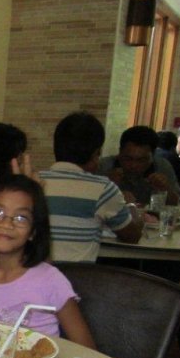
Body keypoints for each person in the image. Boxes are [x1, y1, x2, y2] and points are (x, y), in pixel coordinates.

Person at [0, 175, 95, 346]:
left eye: (21, 217)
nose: (6, 224)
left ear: (33, 231)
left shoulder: (51, 281)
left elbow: (86, 349)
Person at [40, 111, 144, 263]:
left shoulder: (33, 182)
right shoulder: (103, 188)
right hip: (77, 276)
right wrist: (131, 206)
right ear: (96, 153)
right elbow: (132, 237)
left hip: (32, 275)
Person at [97, 125, 180, 206]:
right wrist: (107, 186)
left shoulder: (161, 166)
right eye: (128, 158)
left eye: (141, 160)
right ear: (119, 152)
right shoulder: (103, 166)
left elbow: (179, 204)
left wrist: (166, 189)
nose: (133, 165)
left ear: (152, 156)